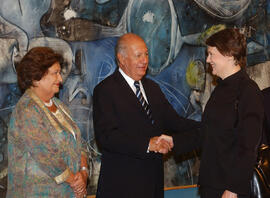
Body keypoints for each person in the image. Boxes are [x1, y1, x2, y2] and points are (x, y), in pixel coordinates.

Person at [160, 28, 264, 198]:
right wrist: (174, 141)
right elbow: (208, 133)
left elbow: (248, 146)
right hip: (212, 185)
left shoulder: (248, 92)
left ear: (229, 54)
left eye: (211, 54)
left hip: (229, 189)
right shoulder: (220, 89)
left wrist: (234, 188)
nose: (207, 60)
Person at [92, 33, 199, 198]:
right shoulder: (106, 91)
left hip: (153, 184)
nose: (144, 60)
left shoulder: (152, 88)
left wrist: (208, 127)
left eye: (146, 54)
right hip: (122, 187)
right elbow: (107, 137)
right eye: (138, 55)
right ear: (121, 58)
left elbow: (175, 122)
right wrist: (147, 144)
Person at [7, 47, 89, 198]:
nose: (60, 79)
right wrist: (76, 183)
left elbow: (80, 144)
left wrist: (83, 173)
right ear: (35, 77)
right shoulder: (27, 110)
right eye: (55, 73)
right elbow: (46, 156)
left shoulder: (59, 106)